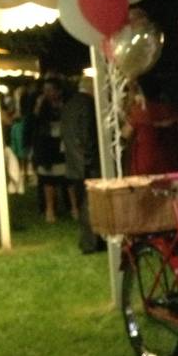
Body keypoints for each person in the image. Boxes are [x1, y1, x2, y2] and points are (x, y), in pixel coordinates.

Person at [61, 76, 104, 253]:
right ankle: (92, 242)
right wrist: (91, 158)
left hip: (73, 162)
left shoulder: (69, 103)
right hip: (87, 163)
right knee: (90, 203)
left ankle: (89, 240)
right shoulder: (87, 104)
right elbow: (87, 135)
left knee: (84, 202)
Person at [122, 73, 178, 175]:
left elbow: (125, 134)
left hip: (145, 164)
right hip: (171, 162)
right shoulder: (171, 110)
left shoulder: (138, 112)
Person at [33, 77, 67, 223]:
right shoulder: (42, 105)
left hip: (62, 142)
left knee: (66, 177)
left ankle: (73, 207)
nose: (47, 93)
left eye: (50, 89)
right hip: (47, 145)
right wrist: (38, 106)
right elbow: (34, 121)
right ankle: (49, 209)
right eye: (45, 90)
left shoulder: (64, 103)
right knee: (48, 179)